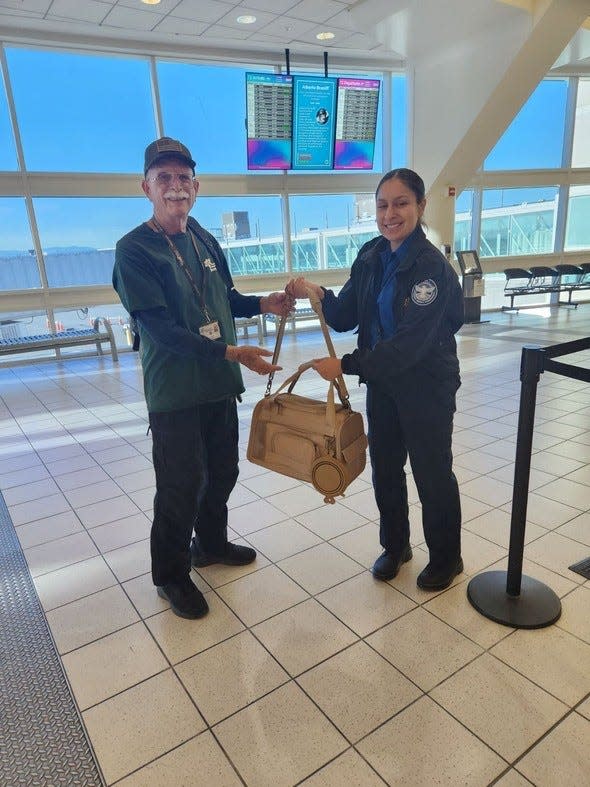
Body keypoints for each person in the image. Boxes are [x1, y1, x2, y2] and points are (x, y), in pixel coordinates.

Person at [113, 137, 294, 619]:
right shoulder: (133, 250)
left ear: (196, 186)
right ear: (146, 187)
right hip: (174, 391)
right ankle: (171, 575)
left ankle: (210, 545)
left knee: (223, 471)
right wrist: (232, 351)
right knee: (181, 484)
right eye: (163, 178)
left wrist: (263, 303)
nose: (175, 187)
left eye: (183, 178)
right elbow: (161, 331)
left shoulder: (205, 239)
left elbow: (225, 298)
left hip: (216, 385)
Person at [287, 168, 464, 591]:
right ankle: (395, 546)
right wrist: (318, 293)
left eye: (401, 203)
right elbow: (346, 314)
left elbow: (409, 345)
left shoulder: (431, 269)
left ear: (421, 207)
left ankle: (446, 557)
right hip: (384, 386)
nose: (390, 214)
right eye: (383, 205)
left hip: (426, 387)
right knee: (385, 468)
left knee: (431, 471)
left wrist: (346, 366)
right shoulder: (371, 256)